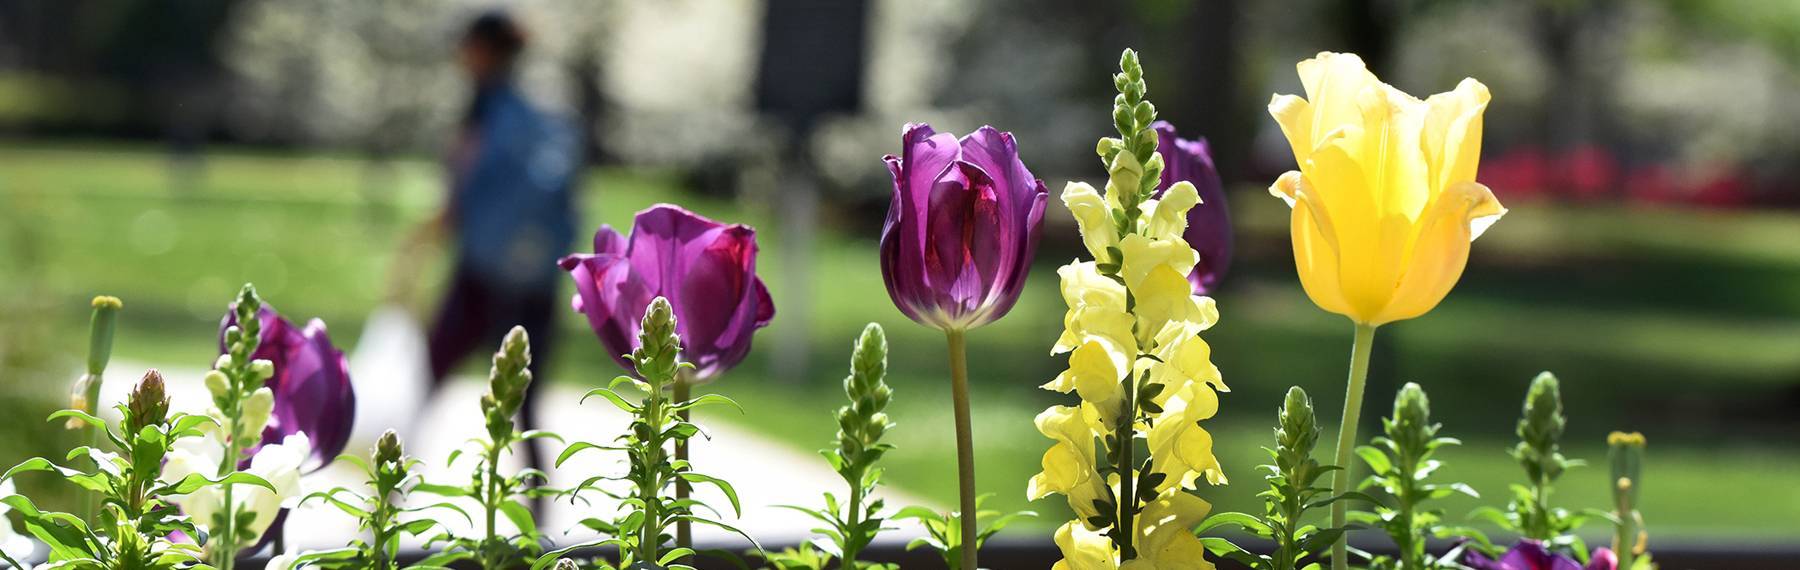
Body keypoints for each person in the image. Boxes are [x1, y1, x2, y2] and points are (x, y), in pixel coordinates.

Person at [399, 10, 578, 482]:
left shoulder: (501, 110)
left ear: (485, 50)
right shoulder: (528, 110)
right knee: (520, 394)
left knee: (449, 375)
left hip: (492, 271)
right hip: (517, 273)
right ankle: (538, 510)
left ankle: (391, 485)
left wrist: (437, 226)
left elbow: (475, 181)